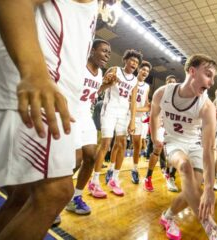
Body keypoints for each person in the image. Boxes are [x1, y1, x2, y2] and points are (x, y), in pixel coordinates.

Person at [0, 0, 106, 238]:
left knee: (24, 194)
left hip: (46, 88)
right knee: (55, 191)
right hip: (36, 81)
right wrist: (34, 71)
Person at [150, 54, 217, 240]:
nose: (212, 82)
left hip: (196, 145)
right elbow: (154, 114)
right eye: (208, 75)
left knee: (192, 191)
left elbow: (208, 148)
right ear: (192, 71)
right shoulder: (162, 93)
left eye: (213, 77)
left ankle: (167, 216)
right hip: (173, 142)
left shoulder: (207, 107)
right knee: (184, 166)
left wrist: (209, 188)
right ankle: (211, 229)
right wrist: (154, 136)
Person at [65, 39, 112, 215]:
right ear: (92, 50)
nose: (107, 54)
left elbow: (92, 93)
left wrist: (105, 86)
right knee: (75, 160)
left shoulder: (99, 73)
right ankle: (54, 195)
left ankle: (74, 198)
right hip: (71, 114)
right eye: (104, 50)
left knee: (91, 158)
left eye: (109, 52)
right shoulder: (79, 65)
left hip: (85, 117)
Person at [89, 49, 142, 198]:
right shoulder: (114, 70)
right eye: (132, 60)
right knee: (106, 144)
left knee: (122, 144)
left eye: (137, 62)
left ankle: (114, 179)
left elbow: (133, 102)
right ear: (125, 60)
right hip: (109, 110)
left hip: (123, 114)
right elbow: (100, 87)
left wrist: (132, 121)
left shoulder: (135, 80)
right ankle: (94, 181)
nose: (134, 63)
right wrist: (108, 81)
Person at [143, 75, 179, 192]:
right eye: (169, 82)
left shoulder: (179, 97)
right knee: (157, 149)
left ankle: (170, 176)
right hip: (161, 126)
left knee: (174, 153)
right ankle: (148, 177)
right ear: (166, 83)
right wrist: (155, 134)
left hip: (173, 128)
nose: (171, 83)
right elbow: (154, 115)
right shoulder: (160, 95)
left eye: (173, 82)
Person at [129, 60, 152, 184]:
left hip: (138, 117)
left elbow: (147, 106)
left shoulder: (147, 86)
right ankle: (111, 169)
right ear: (139, 69)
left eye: (148, 71)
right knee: (118, 144)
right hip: (124, 114)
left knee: (137, 145)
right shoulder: (131, 80)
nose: (145, 72)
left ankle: (134, 169)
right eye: (143, 69)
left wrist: (135, 108)